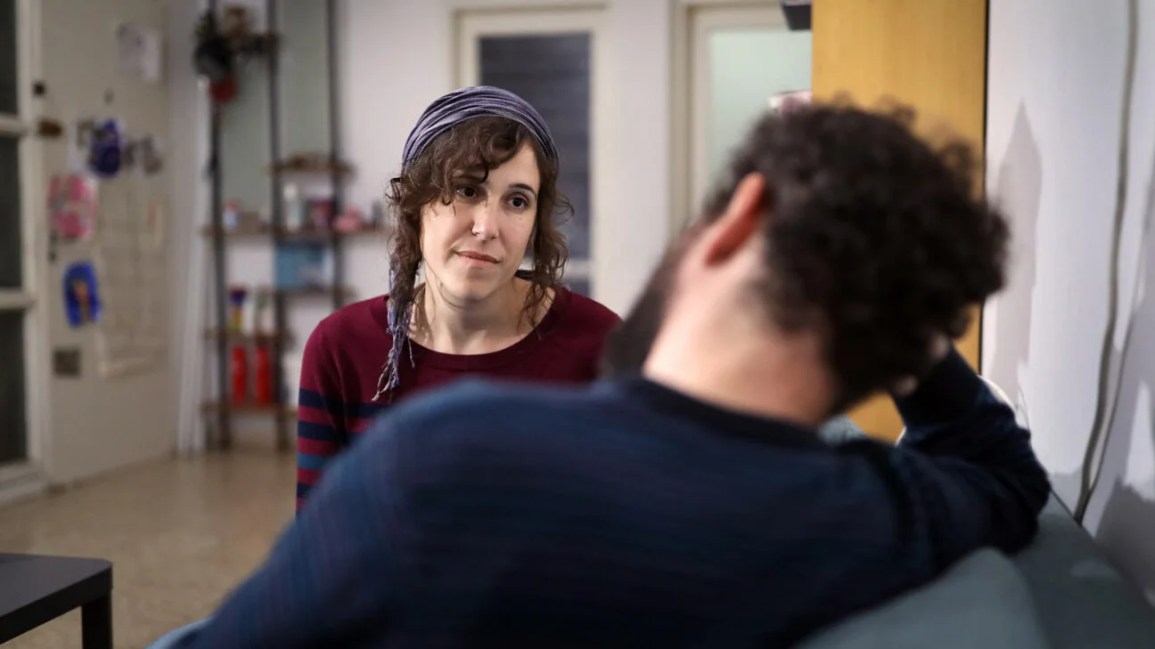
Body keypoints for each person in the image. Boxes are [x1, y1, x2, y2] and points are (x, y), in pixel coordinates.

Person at [158, 102, 1049, 648]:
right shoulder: (856, 512)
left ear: (739, 218)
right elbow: (1005, 475)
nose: (487, 224)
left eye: (516, 201)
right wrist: (904, 325)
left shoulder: (449, 465)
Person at [295, 86, 620, 510]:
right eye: (467, 190)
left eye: (517, 201)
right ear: (416, 204)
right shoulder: (342, 348)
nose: (488, 227)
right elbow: (319, 546)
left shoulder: (602, 346)